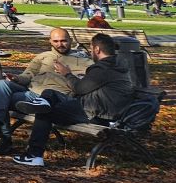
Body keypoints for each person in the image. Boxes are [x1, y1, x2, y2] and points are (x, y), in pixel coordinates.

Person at [14, 32, 136, 167]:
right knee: (49, 94)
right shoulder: (116, 66)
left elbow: (79, 89)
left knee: (45, 111)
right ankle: (40, 103)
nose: (90, 53)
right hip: (101, 110)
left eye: (91, 49)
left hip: (97, 115)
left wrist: (67, 74)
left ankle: (34, 155)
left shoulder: (103, 68)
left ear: (97, 49)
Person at [0, 28, 87, 154]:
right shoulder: (43, 57)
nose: (60, 44)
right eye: (56, 41)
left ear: (70, 40)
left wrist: (68, 74)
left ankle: (3, 138)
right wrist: (16, 78)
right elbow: (28, 75)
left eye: (63, 41)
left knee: (1, 100)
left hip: (52, 98)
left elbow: (83, 85)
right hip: (30, 90)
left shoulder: (83, 61)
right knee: (3, 84)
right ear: (50, 41)